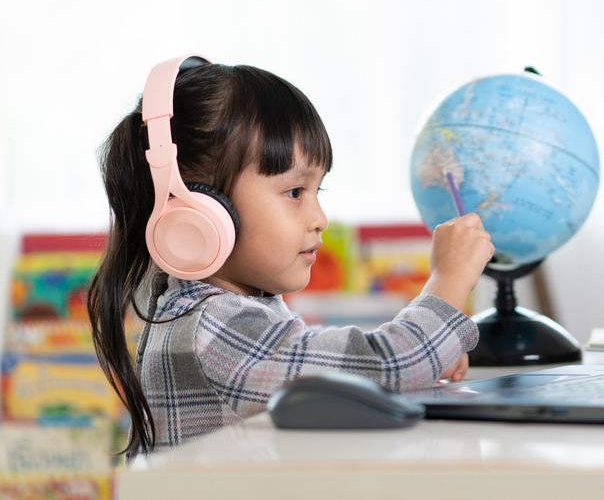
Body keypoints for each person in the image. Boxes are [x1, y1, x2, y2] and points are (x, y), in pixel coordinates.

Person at [87, 58, 494, 459]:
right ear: (199, 213)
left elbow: (350, 377)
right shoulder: (214, 328)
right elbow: (389, 364)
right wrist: (451, 278)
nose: (319, 219)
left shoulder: (229, 312)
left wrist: (430, 351)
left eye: (320, 192)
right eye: (295, 192)